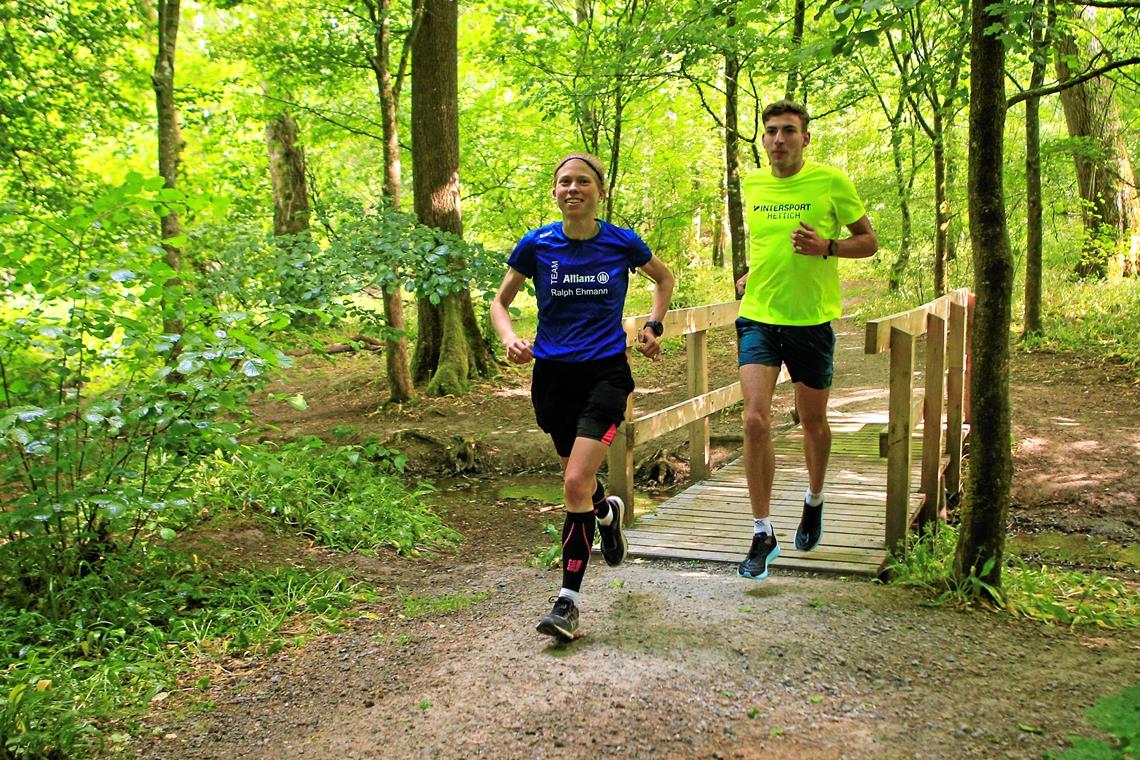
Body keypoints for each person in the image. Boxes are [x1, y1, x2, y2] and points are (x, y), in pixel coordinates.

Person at [490, 152, 675, 641]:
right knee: (580, 479)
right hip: (552, 377)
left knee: (574, 481)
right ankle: (607, 512)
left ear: (599, 191)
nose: (573, 189)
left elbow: (664, 278)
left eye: (583, 182)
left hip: (606, 375)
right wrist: (510, 339)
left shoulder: (620, 242)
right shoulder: (537, 244)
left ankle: (567, 603)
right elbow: (500, 302)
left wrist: (655, 325)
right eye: (565, 182)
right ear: (555, 192)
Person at [734, 100, 878, 581]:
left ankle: (814, 499)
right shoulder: (751, 183)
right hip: (758, 316)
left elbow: (869, 241)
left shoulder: (831, 182)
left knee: (811, 420)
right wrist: (753, 276)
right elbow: (767, 244)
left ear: (805, 138)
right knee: (754, 420)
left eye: (788, 131)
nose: (778, 140)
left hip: (811, 322)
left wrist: (828, 247)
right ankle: (762, 531)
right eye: (771, 131)